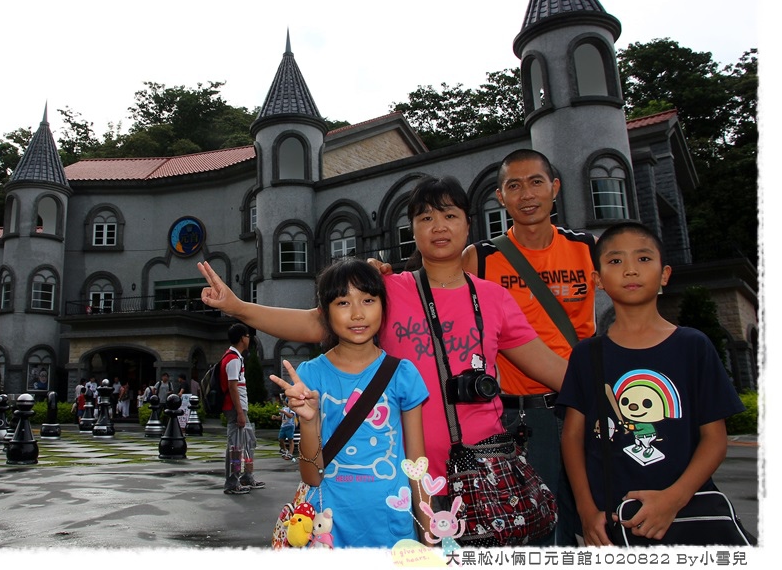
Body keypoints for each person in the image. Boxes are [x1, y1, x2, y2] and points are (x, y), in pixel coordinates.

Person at [199, 175, 566, 526]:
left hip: (480, 474)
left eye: (450, 215)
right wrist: (238, 307)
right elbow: (315, 322)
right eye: (426, 217)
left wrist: (613, 377)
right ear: (412, 229)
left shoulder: (493, 298)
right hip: (397, 479)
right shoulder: (388, 290)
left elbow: (551, 368)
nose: (439, 226)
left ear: (468, 226)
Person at [557, 221, 744, 545]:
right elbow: (573, 438)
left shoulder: (692, 346)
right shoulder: (587, 355)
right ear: (597, 280)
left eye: (643, 259)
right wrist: (586, 511)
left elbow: (714, 439)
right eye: (615, 260)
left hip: (685, 513)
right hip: (612, 521)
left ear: (665, 274)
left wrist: (674, 498)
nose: (630, 270)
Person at [461, 148, 596, 545]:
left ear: (554, 187)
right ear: (500, 198)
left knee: (591, 526)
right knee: (528, 529)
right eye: (513, 186)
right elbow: (437, 293)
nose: (527, 193)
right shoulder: (481, 258)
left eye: (536, 181)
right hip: (520, 419)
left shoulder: (588, 248)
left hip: (582, 407)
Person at [269, 258, 429, 547]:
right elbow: (311, 476)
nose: (357, 314)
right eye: (343, 303)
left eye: (368, 300)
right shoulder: (310, 376)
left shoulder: (402, 374)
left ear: (383, 305)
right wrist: (308, 422)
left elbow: (416, 465)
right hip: (329, 529)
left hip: (392, 529)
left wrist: (430, 534)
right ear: (325, 314)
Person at [220, 323, 265, 494]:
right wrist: (239, 412)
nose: (249, 338)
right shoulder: (232, 359)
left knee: (247, 442)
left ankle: (247, 476)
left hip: (239, 407)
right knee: (236, 446)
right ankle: (232, 483)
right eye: (247, 336)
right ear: (241, 338)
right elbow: (232, 387)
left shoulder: (236, 357)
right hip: (235, 408)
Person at [271, 395, 298, 461]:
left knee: (290, 440)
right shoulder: (283, 408)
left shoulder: (292, 409)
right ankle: (285, 450)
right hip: (283, 426)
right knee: (280, 439)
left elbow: (290, 416)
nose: (284, 402)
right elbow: (282, 417)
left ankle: (290, 453)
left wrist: (284, 412)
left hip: (290, 426)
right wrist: (276, 417)